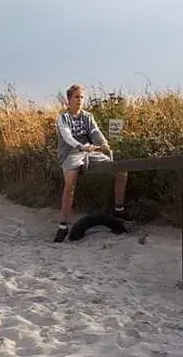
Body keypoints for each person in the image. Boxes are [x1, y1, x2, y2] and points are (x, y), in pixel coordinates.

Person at [53, 84, 131, 243]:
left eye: (81, 97)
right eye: (76, 97)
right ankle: (63, 225)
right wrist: (81, 146)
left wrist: (103, 143)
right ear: (69, 100)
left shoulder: (87, 116)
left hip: (89, 151)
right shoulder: (63, 118)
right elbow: (68, 137)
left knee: (121, 170)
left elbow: (95, 131)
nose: (79, 100)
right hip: (71, 153)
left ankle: (119, 209)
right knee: (70, 184)